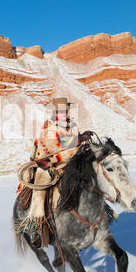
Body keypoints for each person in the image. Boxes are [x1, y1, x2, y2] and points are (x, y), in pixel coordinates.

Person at [27, 97, 80, 230]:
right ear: (55, 112)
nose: (64, 113)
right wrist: (78, 142)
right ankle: (36, 223)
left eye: (66, 111)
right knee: (41, 183)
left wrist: (82, 140)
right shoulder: (49, 126)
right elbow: (55, 147)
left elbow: (75, 143)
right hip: (49, 163)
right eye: (61, 111)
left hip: (70, 162)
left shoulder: (72, 125)